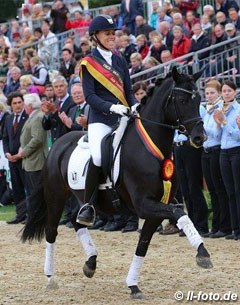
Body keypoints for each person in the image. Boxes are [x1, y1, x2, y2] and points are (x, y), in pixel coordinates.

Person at [76, 15, 137, 226]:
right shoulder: (88, 63)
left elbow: (128, 90)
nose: (111, 36)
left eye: (113, 33)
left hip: (123, 116)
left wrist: (135, 105)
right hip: (101, 118)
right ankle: (88, 205)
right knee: (99, 157)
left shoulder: (119, 59)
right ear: (96, 36)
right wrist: (112, 107)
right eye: (107, 33)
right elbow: (90, 97)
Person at [201, 80, 231, 238]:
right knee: (212, 190)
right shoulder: (208, 110)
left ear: (219, 93)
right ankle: (216, 225)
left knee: (219, 189)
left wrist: (202, 126)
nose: (210, 96)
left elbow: (216, 133)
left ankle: (224, 225)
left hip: (216, 149)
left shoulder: (219, 109)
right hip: (206, 150)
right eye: (207, 93)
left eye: (212, 93)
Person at [213, 80, 240, 240]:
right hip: (223, 152)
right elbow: (216, 136)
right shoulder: (219, 109)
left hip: (236, 151)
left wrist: (224, 122)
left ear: (235, 92)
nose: (226, 93)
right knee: (229, 191)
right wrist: (218, 124)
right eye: (224, 91)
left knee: (237, 190)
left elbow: (238, 135)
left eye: (229, 90)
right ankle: (234, 228)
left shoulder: (237, 109)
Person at [17, 93, 48, 219]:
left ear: (30, 105)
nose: (23, 106)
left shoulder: (38, 117)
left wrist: (24, 151)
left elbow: (37, 139)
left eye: (24, 104)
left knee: (36, 191)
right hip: (30, 161)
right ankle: (34, 215)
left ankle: (38, 216)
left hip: (36, 161)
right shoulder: (33, 116)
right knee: (31, 191)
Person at [2, 92, 28, 224]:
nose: (18, 105)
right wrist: (7, 153)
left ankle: (30, 215)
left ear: (23, 103)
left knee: (28, 187)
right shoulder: (8, 118)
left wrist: (19, 154)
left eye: (19, 102)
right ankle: (20, 214)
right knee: (17, 188)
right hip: (11, 160)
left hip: (25, 159)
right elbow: (5, 138)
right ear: (10, 105)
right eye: (15, 103)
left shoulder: (28, 117)